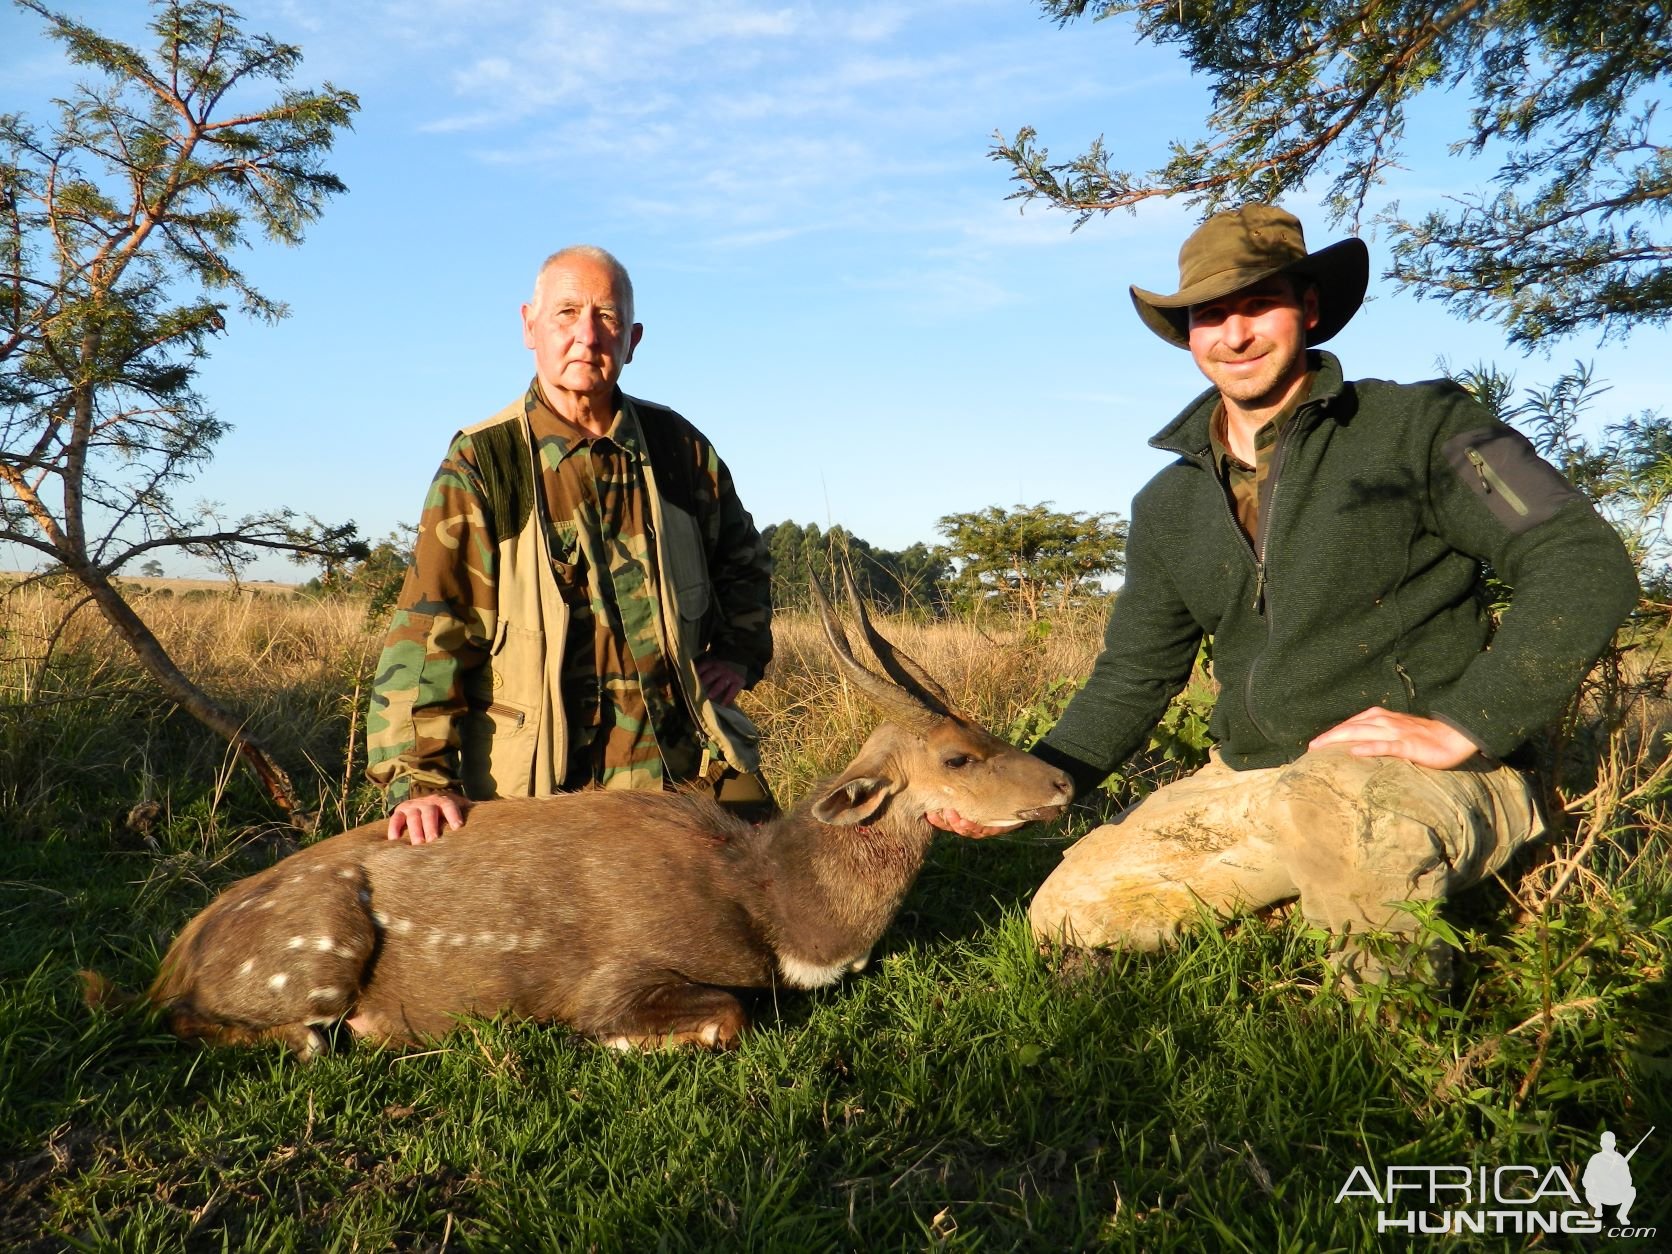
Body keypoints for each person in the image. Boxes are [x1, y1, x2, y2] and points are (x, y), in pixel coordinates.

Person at [1019, 204, 1638, 988]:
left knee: (1338, 815)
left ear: (1308, 308)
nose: (1235, 334)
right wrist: (1027, 780)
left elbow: (1582, 559)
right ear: (1188, 336)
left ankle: (1392, 1063)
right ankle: (1287, 904)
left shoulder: (1423, 425)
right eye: (1210, 315)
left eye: (1258, 305)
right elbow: (1132, 675)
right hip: (1251, 777)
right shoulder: (1166, 505)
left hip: (1425, 773)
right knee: (1072, 910)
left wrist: (1466, 724)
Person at [366, 245, 774, 844]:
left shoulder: (678, 448)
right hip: (539, 787)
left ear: (632, 339)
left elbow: (745, 560)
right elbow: (432, 629)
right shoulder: (485, 460)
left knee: (789, 892)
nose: (587, 335)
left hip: (684, 765)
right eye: (566, 313)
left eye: (607, 318)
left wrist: (738, 652)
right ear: (530, 326)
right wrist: (420, 780)